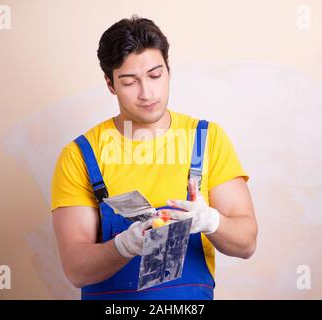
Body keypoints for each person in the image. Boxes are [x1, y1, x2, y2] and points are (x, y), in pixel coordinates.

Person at [51, 15, 258, 300]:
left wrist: (211, 221)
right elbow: (76, 269)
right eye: (129, 82)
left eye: (155, 75)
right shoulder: (80, 156)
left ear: (168, 71)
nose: (147, 93)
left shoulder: (207, 139)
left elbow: (246, 244)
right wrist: (124, 246)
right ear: (110, 84)